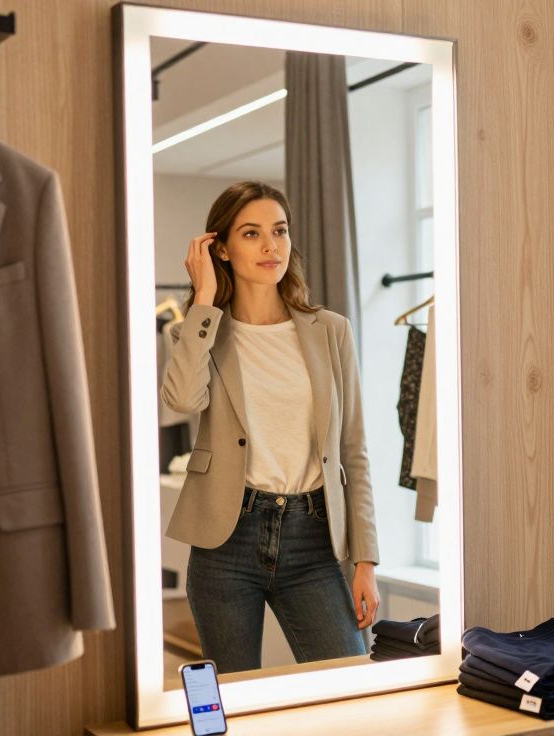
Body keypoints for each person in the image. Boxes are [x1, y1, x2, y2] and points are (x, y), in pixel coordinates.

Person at [161, 181, 380, 673]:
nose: (270, 246)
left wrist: (366, 561)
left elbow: (354, 449)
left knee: (347, 684)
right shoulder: (200, 331)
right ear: (220, 247)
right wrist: (203, 300)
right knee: (234, 697)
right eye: (252, 233)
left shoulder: (331, 330)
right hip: (226, 540)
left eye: (279, 231)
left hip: (315, 540)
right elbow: (180, 399)